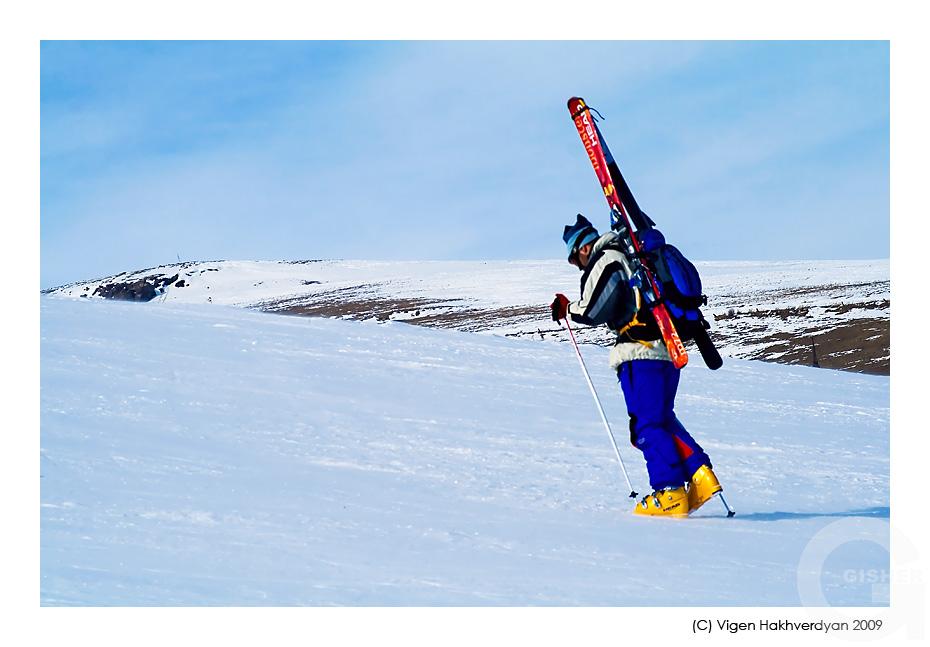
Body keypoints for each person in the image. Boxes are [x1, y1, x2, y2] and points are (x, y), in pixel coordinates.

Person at [551, 214, 723, 517]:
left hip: (640, 353)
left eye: (574, 259)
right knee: (661, 419)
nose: (576, 265)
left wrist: (568, 308)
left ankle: (669, 492)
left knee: (646, 425)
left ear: (583, 248)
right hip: (666, 350)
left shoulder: (608, 258)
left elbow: (593, 309)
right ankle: (700, 475)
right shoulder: (631, 257)